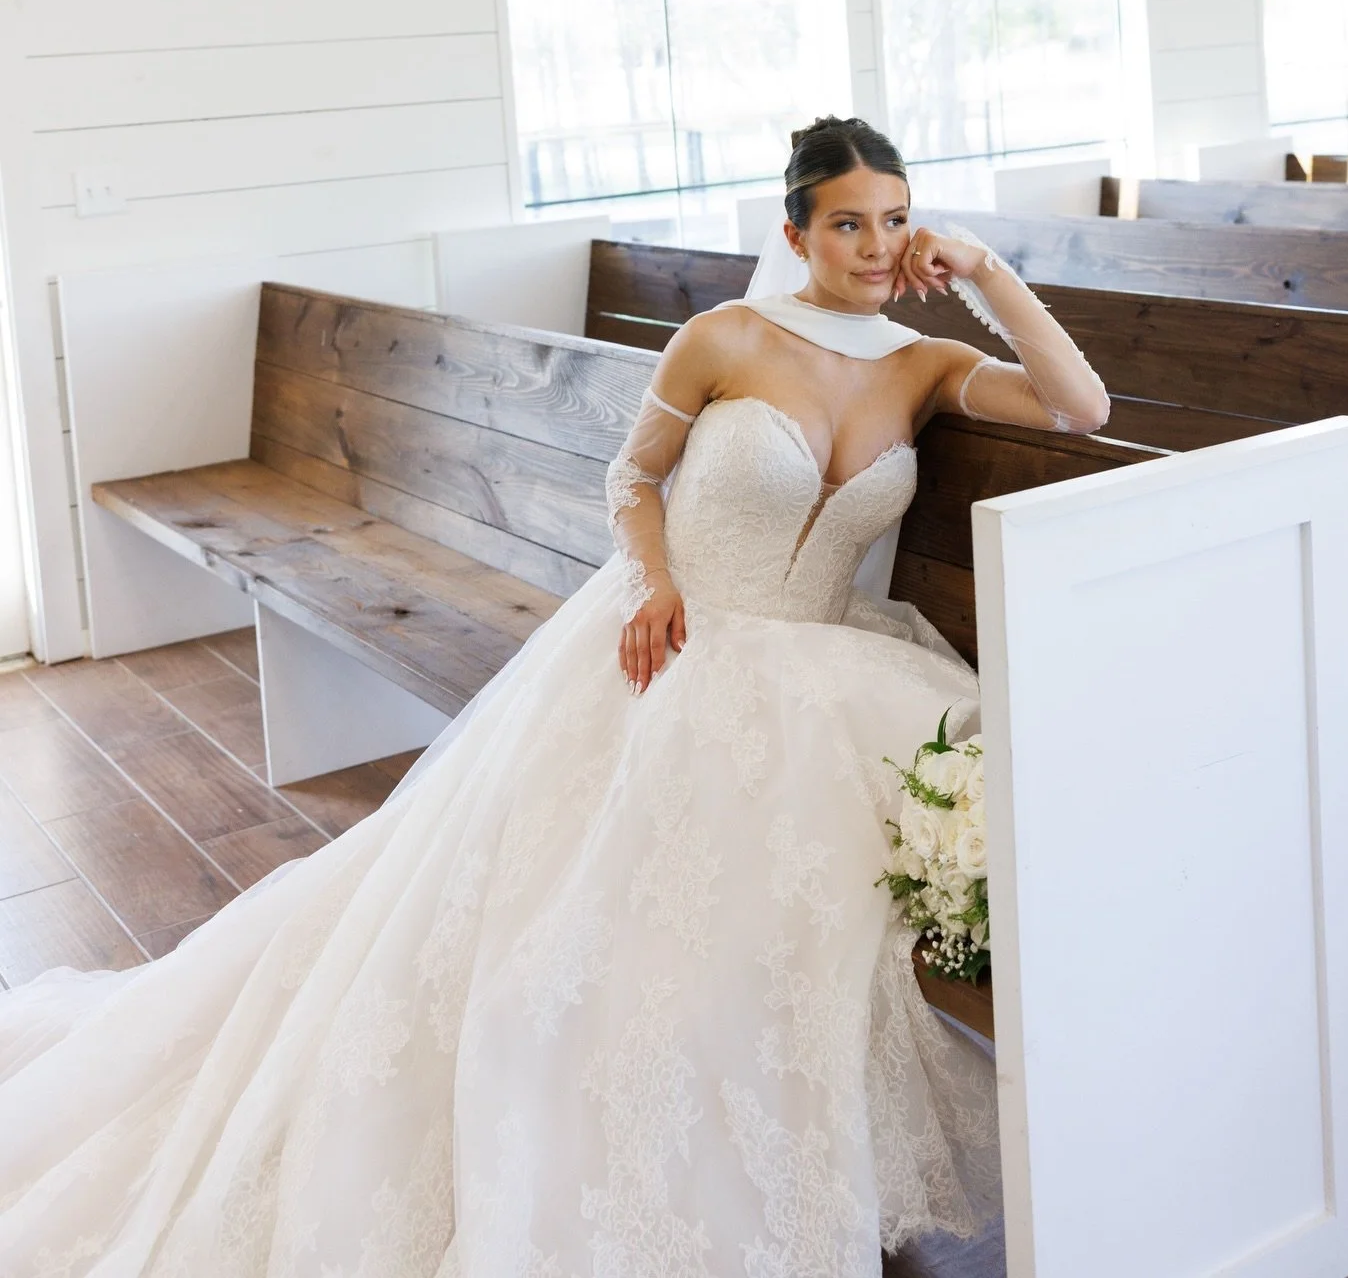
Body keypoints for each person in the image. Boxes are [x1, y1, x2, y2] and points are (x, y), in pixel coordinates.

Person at [0, 115, 1108, 1277]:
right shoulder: (724, 338)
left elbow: (1080, 406)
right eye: (848, 225)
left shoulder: (920, 364)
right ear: (797, 231)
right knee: (579, 948)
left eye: (894, 221)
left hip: (833, 674)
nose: (876, 247)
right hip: (679, 649)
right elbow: (632, 477)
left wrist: (983, 271)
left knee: (808, 925)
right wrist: (655, 581)